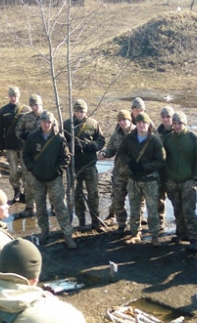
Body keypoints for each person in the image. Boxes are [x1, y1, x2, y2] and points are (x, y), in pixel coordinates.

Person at [23, 110, 77, 249]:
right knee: (40, 206)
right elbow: (26, 155)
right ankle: (44, 231)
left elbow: (66, 158)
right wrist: (32, 168)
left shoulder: (59, 139)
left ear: (53, 123)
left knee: (60, 205)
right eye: (44, 121)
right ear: (40, 122)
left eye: (49, 122)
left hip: (54, 179)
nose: (46, 124)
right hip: (37, 178)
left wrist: (57, 171)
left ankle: (67, 233)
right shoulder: (33, 137)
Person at [163, 110, 197, 250]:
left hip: (188, 180)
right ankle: (181, 233)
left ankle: (193, 237)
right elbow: (163, 157)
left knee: (189, 210)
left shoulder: (194, 138)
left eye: (180, 123)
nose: (177, 126)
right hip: (172, 180)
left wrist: (195, 177)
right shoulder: (168, 139)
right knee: (177, 209)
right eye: (175, 123)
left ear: (185, 123)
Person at [122, 111, 166, 246]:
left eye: (144, 123)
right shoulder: (129, 138)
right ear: (136, 124)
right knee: (134, 208)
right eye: (139, 123)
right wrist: (130, 162)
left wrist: (145, 166)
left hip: (150, 180)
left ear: (148, 124)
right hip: (134, 179)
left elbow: (161, 160)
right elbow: (121, 153)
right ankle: (135, 234)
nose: (141, 125)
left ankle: (155, 236)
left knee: (152, 209)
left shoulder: (155, 140)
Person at [64, 99, 106, 232]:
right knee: (77, 195)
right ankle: (81, 221)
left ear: (86, 111)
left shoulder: (93, 124)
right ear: (74, 111)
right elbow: (61, 143)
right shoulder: (66, 124)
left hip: (90, 164)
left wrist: (92, 146)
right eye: (77, 111)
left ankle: (95, 221)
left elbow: (101, 140)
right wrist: (70, 146)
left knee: (93, 193)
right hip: (74, 166)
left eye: (82, 111)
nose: (80, 114)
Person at [99, 108, 135, 234]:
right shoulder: (116, 135)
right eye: (120, 120)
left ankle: (135, 226)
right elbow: (111, 150)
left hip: (134, 174)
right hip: (119, 173)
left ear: (129, 120)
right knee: (118, 200)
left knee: (135, 201)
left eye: (124, 120)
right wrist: (104, 153)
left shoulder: (138, 132)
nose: (122, 122)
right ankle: (121, 224)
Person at [14, 94, 45, 219]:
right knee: (28, 180)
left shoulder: (48, 117)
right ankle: (30, 207)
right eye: (32, 105)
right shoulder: (25, 117)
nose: (34, 108)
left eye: (36, 105)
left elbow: (55, 132)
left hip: (44, 154)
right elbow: (18, 130)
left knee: (48, 181)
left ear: (41, 104)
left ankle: (53, 207)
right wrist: (23, 135)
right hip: (28, 153)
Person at [0, 86, 28, 204]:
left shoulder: (26, 110)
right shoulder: (3, 110)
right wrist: (0, 144)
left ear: (19, 96)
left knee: (26, 170)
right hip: (10, 145)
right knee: (13, 171)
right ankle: (17, 191)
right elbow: (0, 128)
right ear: (9, 97)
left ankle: (26, 193)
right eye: (11, 96)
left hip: (24, 146)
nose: (13, 98)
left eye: (15, 96)